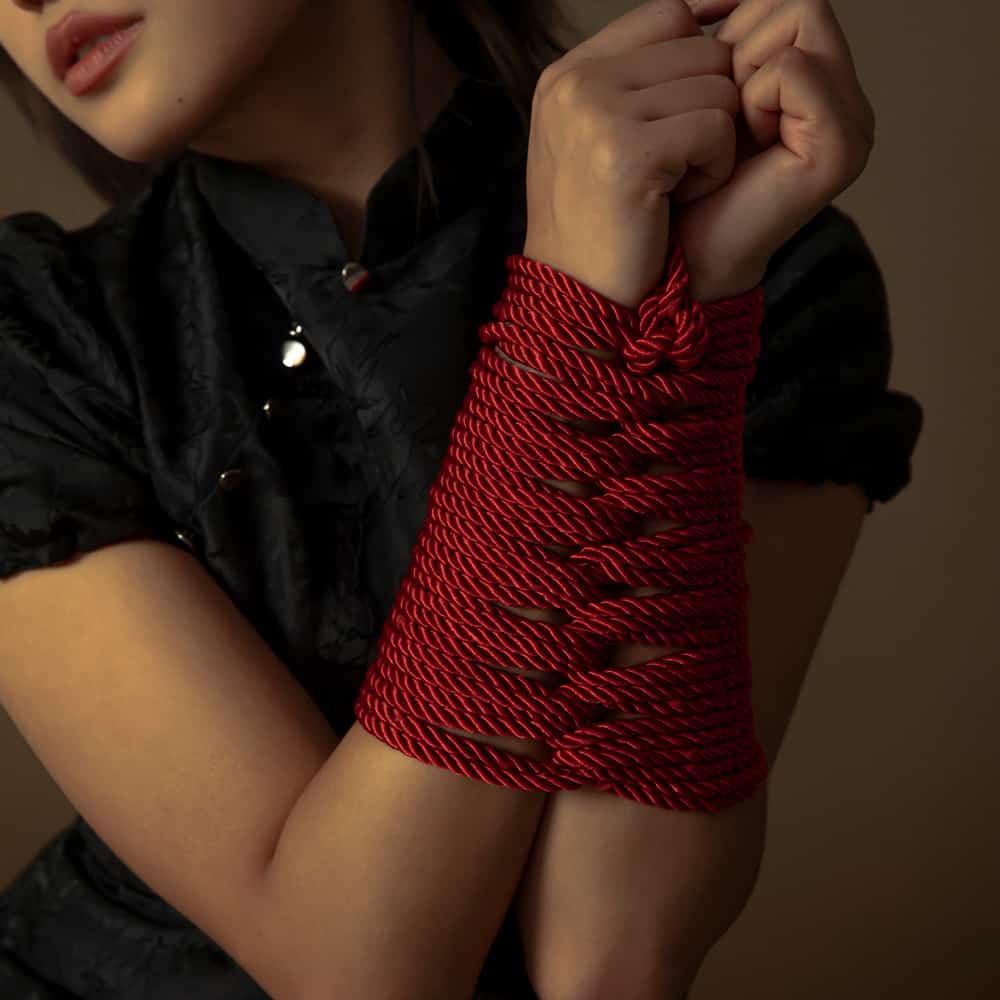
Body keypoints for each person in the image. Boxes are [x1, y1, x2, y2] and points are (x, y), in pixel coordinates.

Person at [0, 1, 924, 997]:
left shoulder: (772, 267)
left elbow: (608, 960)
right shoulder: (37, 335)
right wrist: (576, 317)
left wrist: (681, 301)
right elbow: (357, 972)